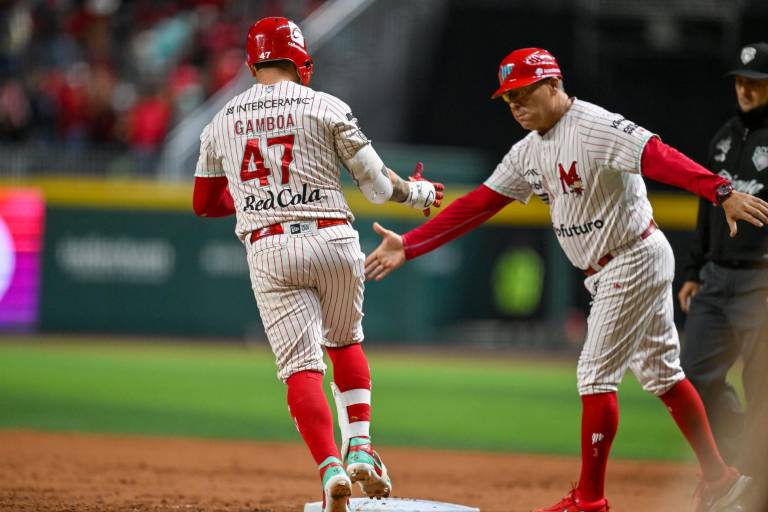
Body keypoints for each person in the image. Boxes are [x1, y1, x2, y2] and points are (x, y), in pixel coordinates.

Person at [364, 47, 768, 512]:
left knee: (595, 376)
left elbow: (658, 157)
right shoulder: (528, 151)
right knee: (663, 373)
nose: (515, 105)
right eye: (508, 98)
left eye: (523, 93)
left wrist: (720, 191)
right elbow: (479, 204)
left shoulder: (595, 126)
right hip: (615, 264)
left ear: (554, 85)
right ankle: (719, 478)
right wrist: (410, 244)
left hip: (631, 257)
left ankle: (590, 501)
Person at [192, 17, 444, 512]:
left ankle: (330, 467)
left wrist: (252, 198)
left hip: (270, 248)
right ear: (301, 60)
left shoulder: (221, 118)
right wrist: (418, 193)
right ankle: (362, 447)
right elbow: (375, 185)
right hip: (333, 238)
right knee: (345, 342)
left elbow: (204, 202)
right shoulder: (326, 105)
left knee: (300, 368)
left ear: (251, 64)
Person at [678, 42, 768, 469]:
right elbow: (705, 206)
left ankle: (758, 474)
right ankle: (740, 467)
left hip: (760, 280)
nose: (745, 90)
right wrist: (694, 269)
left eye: (756, 82)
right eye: (741, 82)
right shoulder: (724, 137)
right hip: (715, 278)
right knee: (693, 377)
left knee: (762, 384)